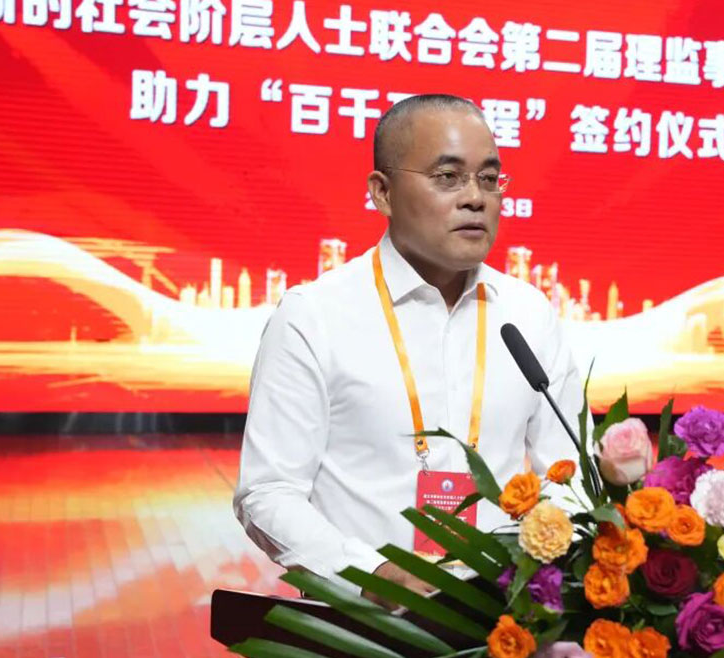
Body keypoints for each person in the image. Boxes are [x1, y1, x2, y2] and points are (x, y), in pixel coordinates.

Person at [233, 94, 587, 598]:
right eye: (448, 177)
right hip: (363, 622)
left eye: (489, 179)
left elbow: (569, 475)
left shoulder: (529, 314)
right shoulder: (314, 316)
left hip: (502, 616)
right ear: (383, 192)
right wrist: (372, 576)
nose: (475, 198)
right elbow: (268, 493)